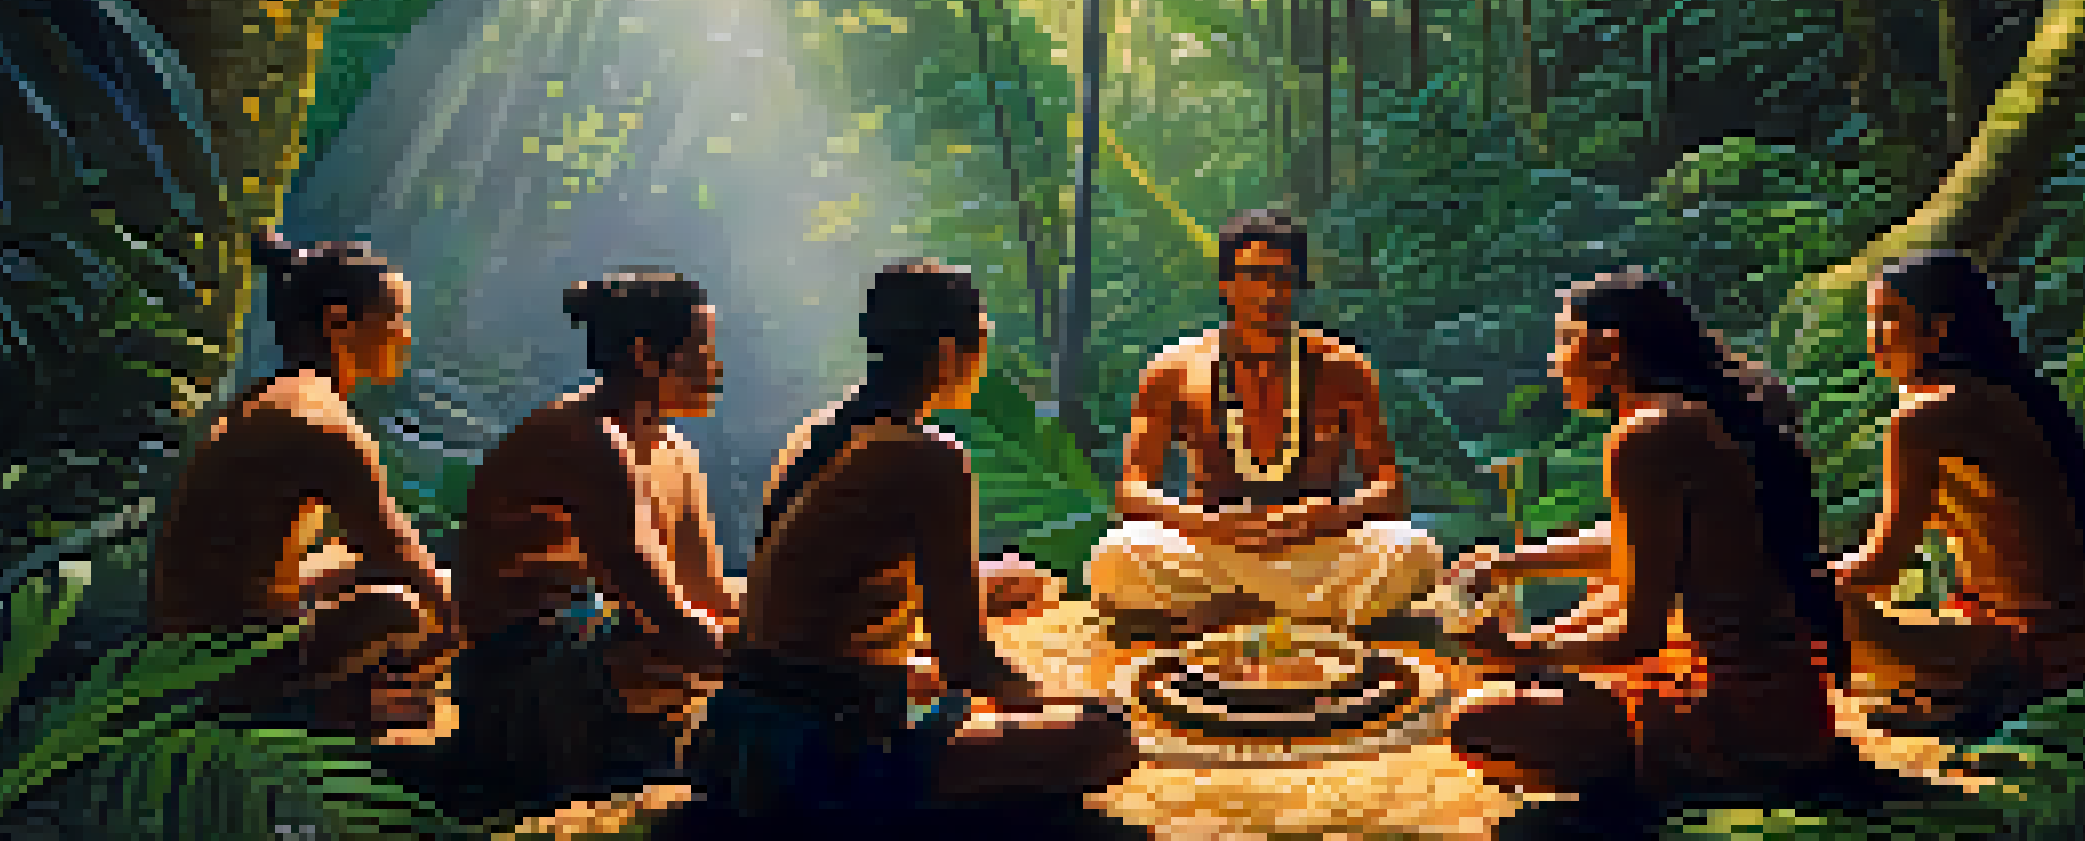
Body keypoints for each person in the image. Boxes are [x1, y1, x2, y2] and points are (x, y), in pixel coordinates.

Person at [683, 260, 1137, 834]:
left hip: (742, 732)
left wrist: (989, 584)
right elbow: (967, 662)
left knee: (935, 679)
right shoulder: (929, 458)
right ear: (948, 354)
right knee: (1103, 736)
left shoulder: (821, 431)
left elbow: (847, 590)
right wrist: (1061, 697)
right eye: (982, 340)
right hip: (817, 753)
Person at [1442, 270, 1843, 812]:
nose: (1554, 362)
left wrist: (1520, 652)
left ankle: (1697, 774)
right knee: (1594, 604)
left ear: (1608, 350)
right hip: (1792, 700)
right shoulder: (1712, 409)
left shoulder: (1647, 435)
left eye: (1564, 341)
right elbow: (1643, 536)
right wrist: (1510, 566)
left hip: (1742, 714)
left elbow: (1640, 634)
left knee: (1478, 722)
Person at [150, 230, 460, 737]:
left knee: (349, 563)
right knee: (405, 603)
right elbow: (397, 551)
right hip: (216, 665)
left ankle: (353, 700)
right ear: (340, 324)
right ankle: (333, 719)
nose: (405, 336)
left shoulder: (280, 396)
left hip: (194, 639)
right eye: (396, 318)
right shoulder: (319, 421)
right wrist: (463, 629)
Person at [1085, 209, 1444, 646]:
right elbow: (1132, 491)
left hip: (1316, 552)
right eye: (1254, 275)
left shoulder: (1342, 367)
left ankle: (1228, 620)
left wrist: (1324, 516)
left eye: (1282, 277)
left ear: (1298, 286)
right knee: (1117, 555)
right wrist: (1207, 523)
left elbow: (1389, 490)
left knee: (1411, 550)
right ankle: (1307, 622)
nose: (1270, 292)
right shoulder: (1175, 369)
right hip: (1215, 549)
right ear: (1226, 285)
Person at [450, 270, 734, 808]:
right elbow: (669, 623)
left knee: (739, 616)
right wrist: (808, 681)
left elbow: (710, 598)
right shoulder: (585, 442)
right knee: (656, 655)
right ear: (646, 356)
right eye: (702, 352)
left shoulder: (676, 453)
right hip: (514, 693)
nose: (716, 370)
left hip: (592, 667)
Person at [1829, 250, 2085, 734]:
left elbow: (1883, 566)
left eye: (1889, 319)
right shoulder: (2000, 394)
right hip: (2082, 644)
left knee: (1820, 610)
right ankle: (1948, 689)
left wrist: (1791, 590)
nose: (1874, 337)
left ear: (1939, 329)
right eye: (1871, 319)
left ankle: (1963, 693)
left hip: (2033, 656)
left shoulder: (1928, 415)